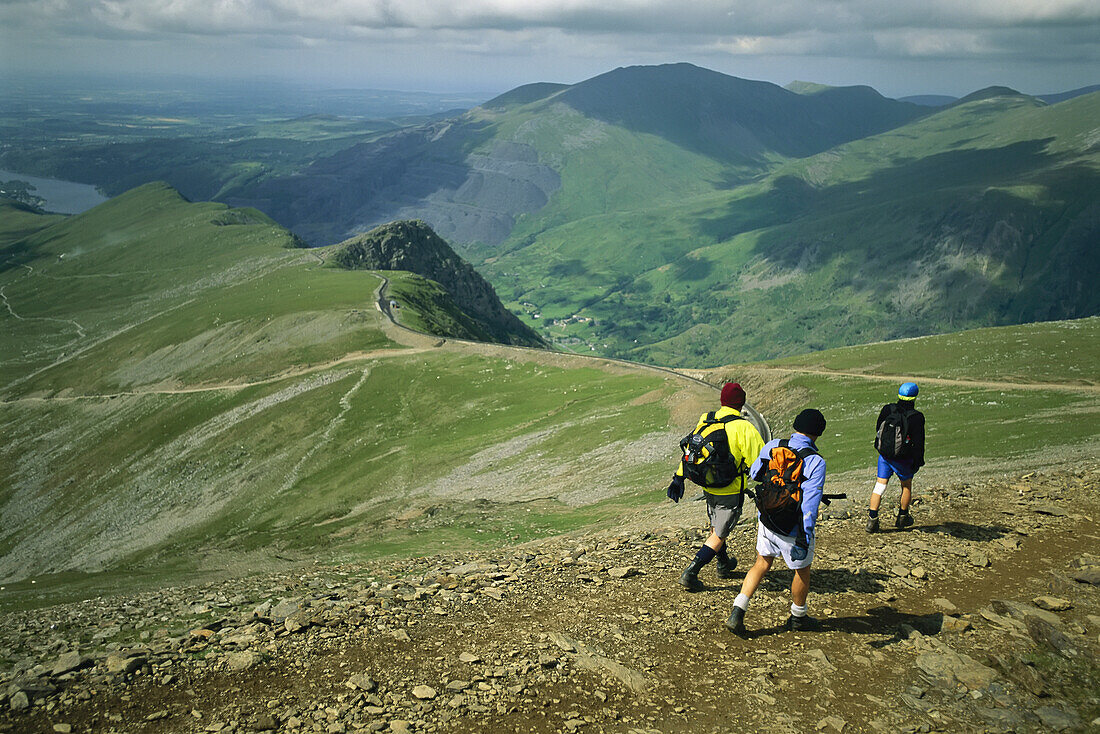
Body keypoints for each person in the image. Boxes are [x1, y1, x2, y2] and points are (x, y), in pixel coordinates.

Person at [726, 408, 828, 634]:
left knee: (761, 563)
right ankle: (798, 617)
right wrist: (805, 536)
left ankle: (738, 610)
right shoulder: (815, 461)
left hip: (768, 517)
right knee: (802, 571)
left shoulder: (773, 445)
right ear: (818, 433)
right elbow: (809, 505)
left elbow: (754, 473)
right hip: (792, 526)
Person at [666, 382, 765, 592]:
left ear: (722, 401)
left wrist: (679, 476)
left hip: (708, 486)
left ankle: (723, 564)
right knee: (719, 533)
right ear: (742, 404)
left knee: (716, 525)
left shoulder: (707, 419)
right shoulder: (744, 428)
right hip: (730, 489)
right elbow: (760, 464)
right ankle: (691, 573)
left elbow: (692, 451)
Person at [866, 382, 926, 533]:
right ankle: (902, 517)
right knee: (906, 486)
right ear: (914, 397)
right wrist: (918, 461)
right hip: (904, 459)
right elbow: (919, 442)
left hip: (885, 456)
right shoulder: (917, 417)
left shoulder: (888, 409)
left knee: (879, 486)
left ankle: (872, 520)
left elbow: (879, 428)